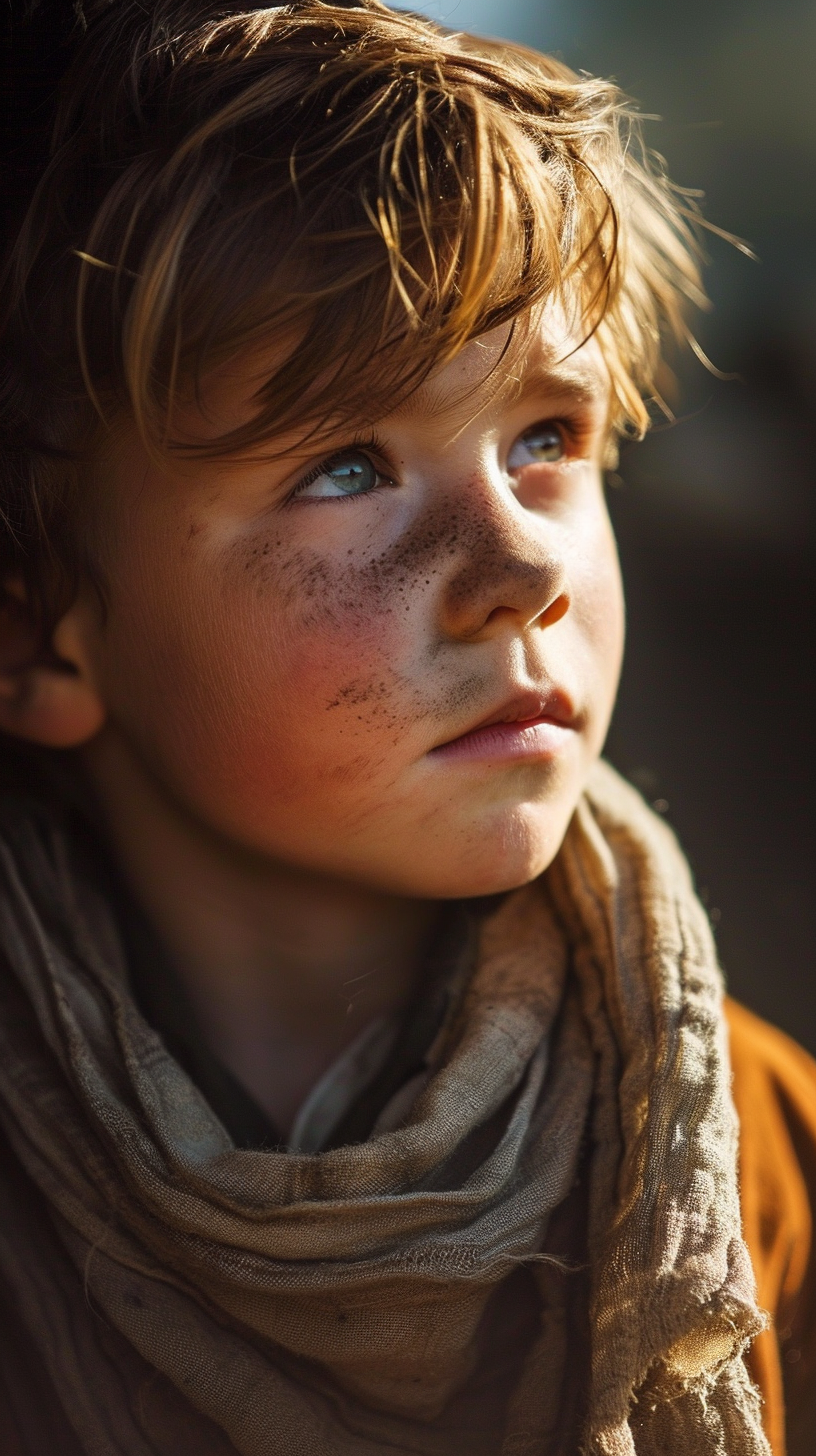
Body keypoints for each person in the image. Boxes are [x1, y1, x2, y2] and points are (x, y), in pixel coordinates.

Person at [0, 1, 813, 1452]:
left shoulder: (768, 1166)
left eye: (548, 439)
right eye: (348, 465)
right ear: (40, 638)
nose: (522, 576)